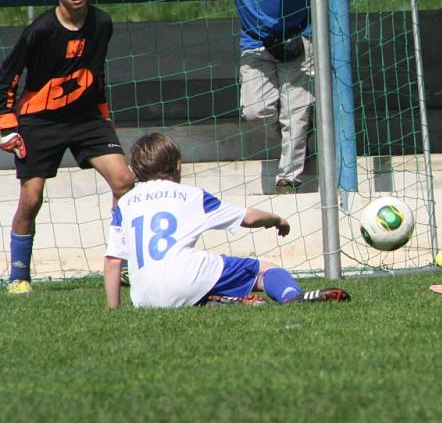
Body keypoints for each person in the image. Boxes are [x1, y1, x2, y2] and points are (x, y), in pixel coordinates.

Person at [148, 0, 312, 195]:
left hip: (296, 35)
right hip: (255, 41)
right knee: (255, 111)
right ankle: (299, 139)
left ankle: (288, 178)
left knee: (297, 111)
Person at [0, 0, 135, 295]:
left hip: (87, 118)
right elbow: (8, 76)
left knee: (124, 180)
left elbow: (97, 73)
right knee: (31, 198)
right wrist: (7, 126)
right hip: (39, 120)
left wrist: (104, 115)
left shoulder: (102, 23)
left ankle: (120, 265)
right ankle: (18, 275)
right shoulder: (41, 30)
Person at [103, 132, 350, 308]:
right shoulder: (192, 196)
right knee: (265, 268)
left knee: (200, 272)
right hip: (186, 280)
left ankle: (221, 302)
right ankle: (292, 296)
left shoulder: (125, 204)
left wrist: (114, 312)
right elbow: (249, 218)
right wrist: (276, 219)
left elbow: (113, 261)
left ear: (136, 171)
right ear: (178, 166)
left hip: (144, 299)